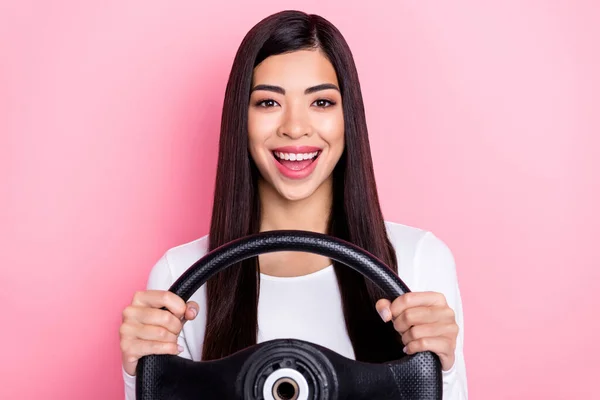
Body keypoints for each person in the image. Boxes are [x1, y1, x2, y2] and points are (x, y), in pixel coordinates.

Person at [119, 10, 468, 399]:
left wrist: (443, 368)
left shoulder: (417, 260)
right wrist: (140, 374)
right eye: (269, 103)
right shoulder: (181, 277)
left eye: (321, 102)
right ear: (242, 118)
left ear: (347, 117)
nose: (295, 127)